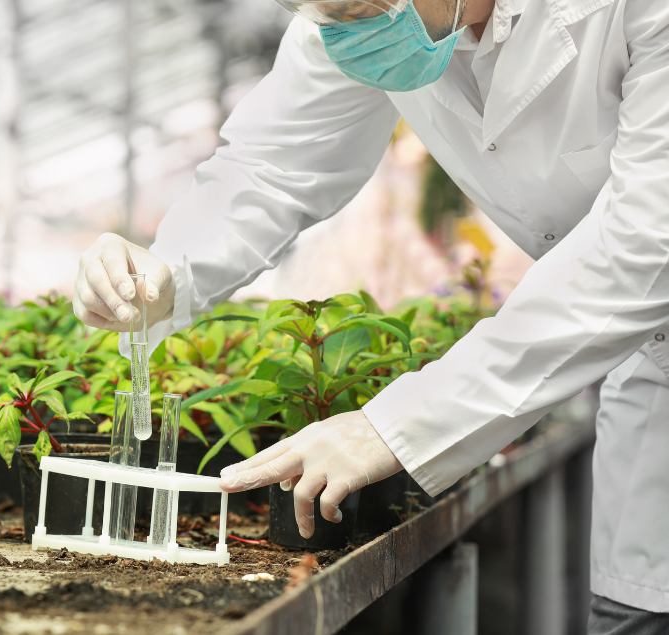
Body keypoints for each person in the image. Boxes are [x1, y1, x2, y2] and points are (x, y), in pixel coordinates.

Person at [72, 0, 669, 629]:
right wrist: (168, 272)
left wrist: (394, 426)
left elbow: (646, 245)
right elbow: (271, 168)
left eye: (356, 6)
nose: (343, 31)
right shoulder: (358, 21)